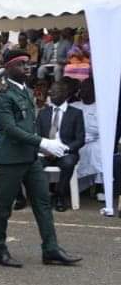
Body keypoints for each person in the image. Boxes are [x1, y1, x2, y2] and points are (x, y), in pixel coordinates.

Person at [0, 50, 82, 267]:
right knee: (4, 207)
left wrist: (40, 146)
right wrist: (42, 142)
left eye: (28, 64)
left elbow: (28, 124)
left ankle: (50, 249)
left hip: (30, 157)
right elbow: (10, 129)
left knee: (42, 203)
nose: (27, 68)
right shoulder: (3, 95)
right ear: (8, 68)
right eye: (21, 64)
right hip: (11, 158)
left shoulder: (26, 91)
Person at [36, 81, 85, 212]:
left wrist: (62, 150)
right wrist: (46, 150)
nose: (52, 95)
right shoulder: (43, 113)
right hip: (46, 152)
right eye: (51, 92)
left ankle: (60, 195)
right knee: (32, 163)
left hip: (66, 152)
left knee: (69, 162)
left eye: (56, 92)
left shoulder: (76, 113)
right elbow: (37, 137)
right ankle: (42, 197)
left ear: (65, 94)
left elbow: (80, 140)